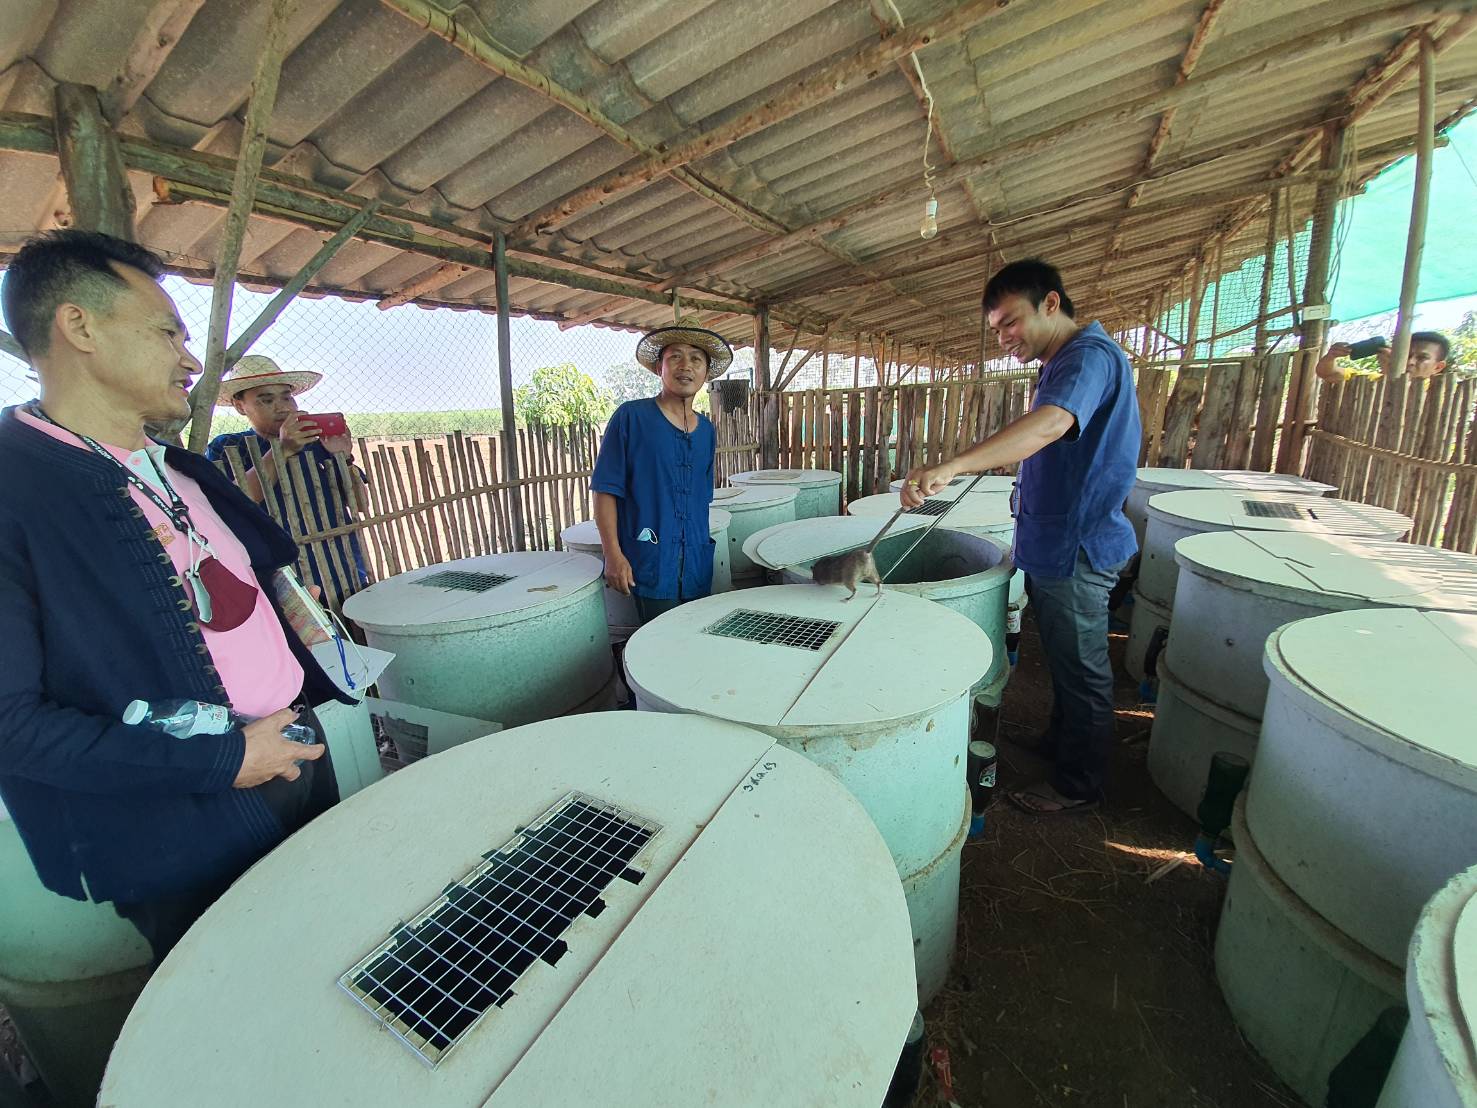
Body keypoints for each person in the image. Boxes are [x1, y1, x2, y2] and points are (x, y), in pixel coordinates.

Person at [0, 230, 351, 961]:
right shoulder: (16, 492)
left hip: (298, 752)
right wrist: (222, 762)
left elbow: (230, 593)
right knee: (250, 993)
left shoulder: (180, 469)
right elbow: (14, 726)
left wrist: (284, 619)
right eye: (168, 333)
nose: (190, 360)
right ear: (79, 326)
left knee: (345, 937)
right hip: (187, 822)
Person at [902, 259, 1140, 815]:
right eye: (996, 330)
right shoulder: (1062, 361)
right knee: (1063, 655)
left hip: (1078, 544)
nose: (1004, 338)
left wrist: (956, 465)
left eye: (1011, 322)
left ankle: (1077, 784)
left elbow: (1053, 424)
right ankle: (1062, 745)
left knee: (1082, 666)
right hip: (1057, 541)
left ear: (1051, 304)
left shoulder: (1087, 357)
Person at [591, 321, 730, 624]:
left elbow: (701, 499)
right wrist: (613, 555)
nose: (686, 366)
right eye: (675, 357)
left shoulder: (706, 430)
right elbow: (606, 490)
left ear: (706, 372)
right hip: (651, 559)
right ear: (659, 368)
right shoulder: (631, 417)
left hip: (696, 560)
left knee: (697, 638)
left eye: (696, 358)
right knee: (660, 645)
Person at [205, 354, 370, 597]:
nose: (282, 407)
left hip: (343, 566)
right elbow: (232, 506)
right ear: (241, 406)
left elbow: (360, 504)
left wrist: (343, 458)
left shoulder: (316, 444)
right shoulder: (229, 447)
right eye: (266, 400)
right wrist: (281, 450)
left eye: (286, 397)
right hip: (281, 577)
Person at [1314, 331, 1450, 382]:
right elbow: (1328, 373)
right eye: (1407, 354)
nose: (1411, 361)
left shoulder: (1438, 395)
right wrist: (1331, 357)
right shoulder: (1374, 380)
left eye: (1422, 358)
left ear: (1438, 367)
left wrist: (1392, 376)